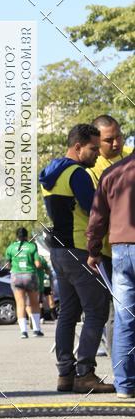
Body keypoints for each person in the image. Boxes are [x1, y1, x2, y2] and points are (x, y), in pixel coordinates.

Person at [39, 124, 114, 393]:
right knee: (96, 310)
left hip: (58, 251)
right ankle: (85, 373)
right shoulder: (78, 174)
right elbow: (94, 210)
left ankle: (65, 374)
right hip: (80, 249)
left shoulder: (52, 172)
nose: (96, 154)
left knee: (68, 313)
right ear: (78, 146)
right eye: (93, 148)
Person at [87, 151, 135, 398]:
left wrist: (93, 250)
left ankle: (125, 385)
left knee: (124, 319)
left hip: (120, 252)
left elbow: (97, 218)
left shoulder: (112, 173)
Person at [88, 115, 132, 356]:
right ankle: (121, 371)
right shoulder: (95, 169)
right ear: (97, 141)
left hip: (120, 247)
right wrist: (93, 249)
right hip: (107, 251)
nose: (116, 143)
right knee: (119, 315)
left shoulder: (127, 158)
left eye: (119, 136)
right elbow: (95, 214)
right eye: (109, 140)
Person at [5, 228, 44, 338]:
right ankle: (36, 330)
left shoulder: (11, 247)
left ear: (16, 236)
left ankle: (23, 332)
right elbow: (37, 264)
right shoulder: (32, 247)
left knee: (20, 304)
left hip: (16, 276)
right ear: (27, 236)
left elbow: (8, 265)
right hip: (30, 275)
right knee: (34, 303)